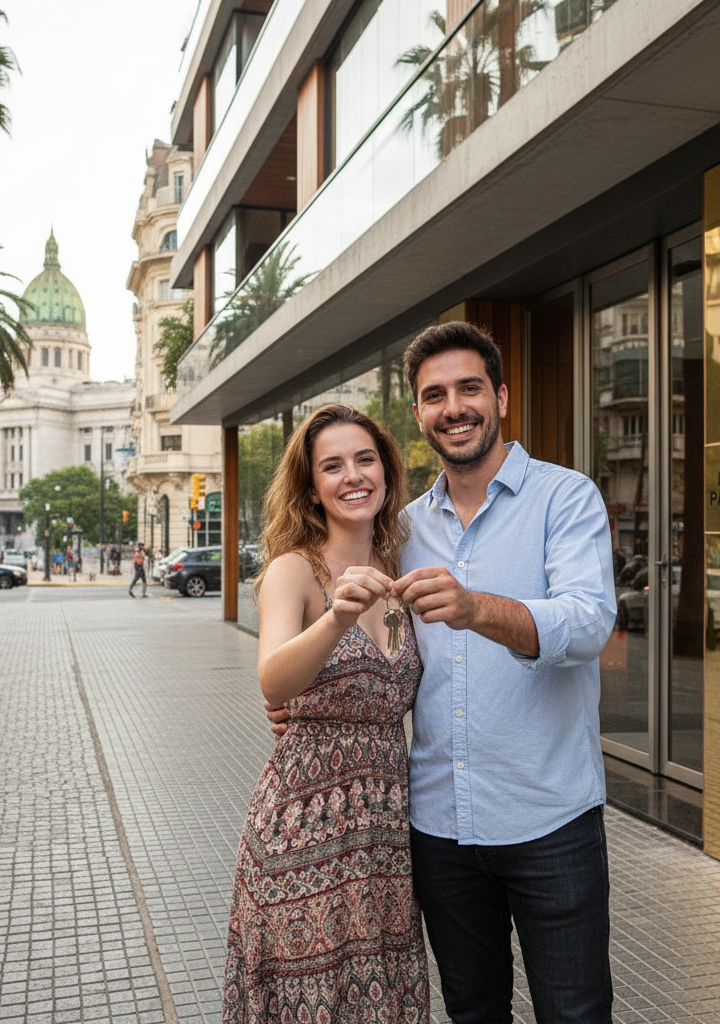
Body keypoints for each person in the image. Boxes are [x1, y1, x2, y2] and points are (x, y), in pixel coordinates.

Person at [270, 323, 616, 1023]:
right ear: (420, 414)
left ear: (502, 397)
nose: (453, 407)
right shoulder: (402, 530)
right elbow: (354, 654)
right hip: (437, 828)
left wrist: (477, 608)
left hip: (549, 817)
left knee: (576, 1012)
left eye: (469, 389)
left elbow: (587, 624)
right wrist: (300, 702)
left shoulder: (565, 498)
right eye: (434, 395)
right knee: (471, 1010)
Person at [223, 405, 428, 1024]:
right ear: (312, 488)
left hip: (385, 843)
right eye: (332, 466)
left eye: (365, 459)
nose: (353, 476)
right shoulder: (295, 570)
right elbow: (274, 677)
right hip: (303, 836)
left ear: (388, 472)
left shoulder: (404, 573)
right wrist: (336, 618)